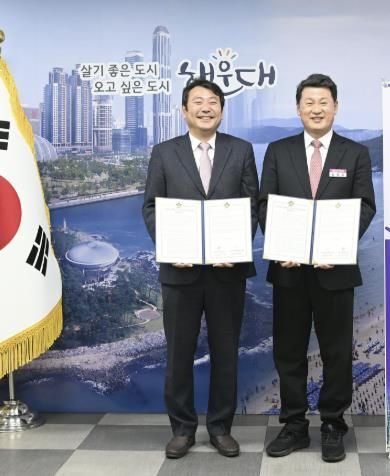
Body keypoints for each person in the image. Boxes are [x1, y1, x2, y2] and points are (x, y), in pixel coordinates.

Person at [258, 73, 376, 463]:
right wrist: (280, 245)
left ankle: (332, 425)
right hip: (289, 269)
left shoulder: (355, 153)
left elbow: (365, 206)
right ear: (298, 108)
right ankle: (293, 425)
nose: (316, 109)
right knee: (288, 351)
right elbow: (265, 204)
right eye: (309, 102)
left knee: (337, 352)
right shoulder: (278, 151)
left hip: (335, 271)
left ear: (335, 107)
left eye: (323, 102)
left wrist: (337, 248)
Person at [142, 78, 258, 459]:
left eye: (213, 102)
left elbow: (251, 206)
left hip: (227, 271)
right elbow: (151, 207)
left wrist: (237, 248)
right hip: (180, 271)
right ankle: (182, 429)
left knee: (226, 352)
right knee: (179, 354)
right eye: (198, 101)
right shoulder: (164, 153)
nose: (206, 107)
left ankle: (221, 428)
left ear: (222, 110)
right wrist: (171, 247)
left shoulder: (241, 150)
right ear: (184, 110)